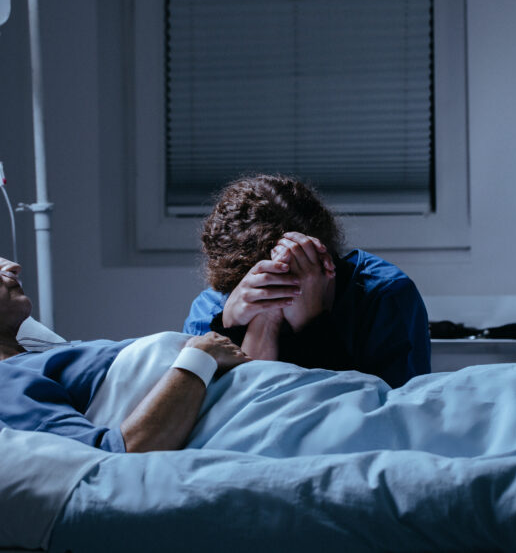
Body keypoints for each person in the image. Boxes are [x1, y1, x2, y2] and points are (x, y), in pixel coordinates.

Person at [184, 174, 431, 388]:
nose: (280, 304)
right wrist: (235, 331)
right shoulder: (212, 309)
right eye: (267, 289)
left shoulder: (386, 297)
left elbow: (390, 419)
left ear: (328, 262)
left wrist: (314, 326)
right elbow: (206, 421)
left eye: (290, 287)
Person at [0, 257, 250, 452]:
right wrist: (198, 357)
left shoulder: (50, 357)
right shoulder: (4, 384)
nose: (13, 267)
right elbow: (114, 454)